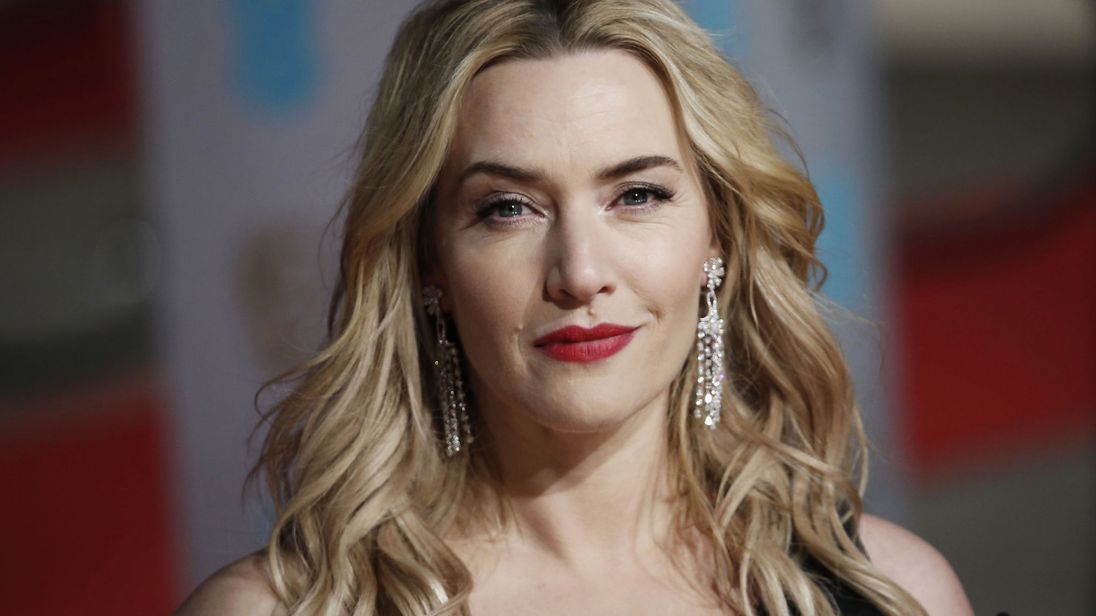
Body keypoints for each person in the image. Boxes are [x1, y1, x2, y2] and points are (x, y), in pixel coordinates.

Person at [178, 0, 974, 614]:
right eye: (508, 208)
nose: (580, 273)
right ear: (428, 265)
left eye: (637, 195)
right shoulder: (279, 609)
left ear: (719, 237)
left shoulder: (897, 592)